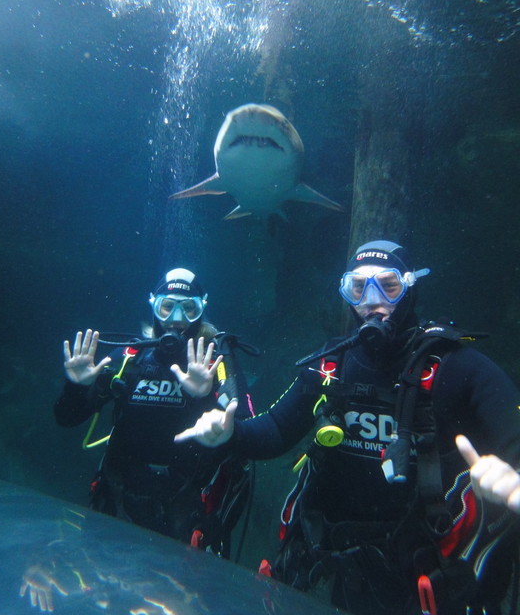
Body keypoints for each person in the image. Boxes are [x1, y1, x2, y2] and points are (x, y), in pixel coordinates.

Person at [175, 241, 520, 615]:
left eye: (388, 286)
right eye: (358, 288)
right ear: (347, 293)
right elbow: (275, 431)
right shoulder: (330, 365)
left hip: (433, 569)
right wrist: (229, 434)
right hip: (349, 566)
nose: (373, 301)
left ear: (410, 287)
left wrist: (511, 473)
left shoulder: (459, 367)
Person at [55, 268, 256, 558]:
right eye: (167, 306)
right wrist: (76, 386)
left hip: (189, 513)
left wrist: (202, 398)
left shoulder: (218, 361)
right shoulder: (129, 359)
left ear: (202, 308)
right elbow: (66, 418)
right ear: (153, 305)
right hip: (121, 503)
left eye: (188, 308)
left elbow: (245, 428)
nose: (176, 319)